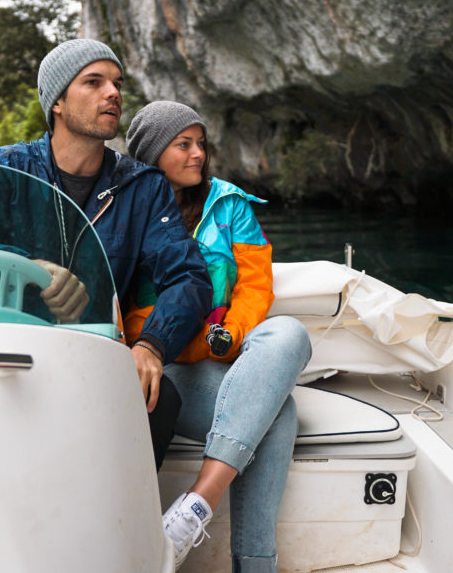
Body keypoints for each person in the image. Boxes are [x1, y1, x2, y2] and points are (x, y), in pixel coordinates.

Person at [0, 39, 213, 470]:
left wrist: (152, 346)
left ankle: (122, 528)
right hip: (7, 352)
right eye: (94, 82)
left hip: (92, 356)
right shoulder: (4, 169)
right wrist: (28, 269)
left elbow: (188, 277)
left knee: (160, 401)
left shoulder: (143, 187)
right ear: (58, 103)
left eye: (117, 83)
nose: (114, 93)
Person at [124, 101, 312, 571]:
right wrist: (200, 343)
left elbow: (255, 284)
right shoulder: (129, 211)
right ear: (152, 153)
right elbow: (130, 316)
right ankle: (253, 564)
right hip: (166, 369)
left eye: (200, 144)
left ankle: (193, 508)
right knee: (278, 412)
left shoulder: (230, 204)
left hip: (230, 355)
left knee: (288, 333)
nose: (198, 155)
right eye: (183, 145)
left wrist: (230, 333)